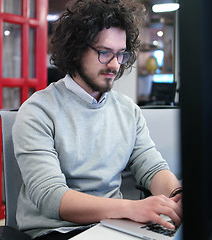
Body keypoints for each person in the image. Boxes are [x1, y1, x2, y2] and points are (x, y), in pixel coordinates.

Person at [12, 0, 182, 239]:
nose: (114, 64)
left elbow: (152, 167)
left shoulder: (127, 111)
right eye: (104, 52)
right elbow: (51, 197)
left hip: (113, 226)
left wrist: (177, 195)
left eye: (121, 54)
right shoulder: (38, 111)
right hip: (57, 230)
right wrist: (132, 208)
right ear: (76, 49)